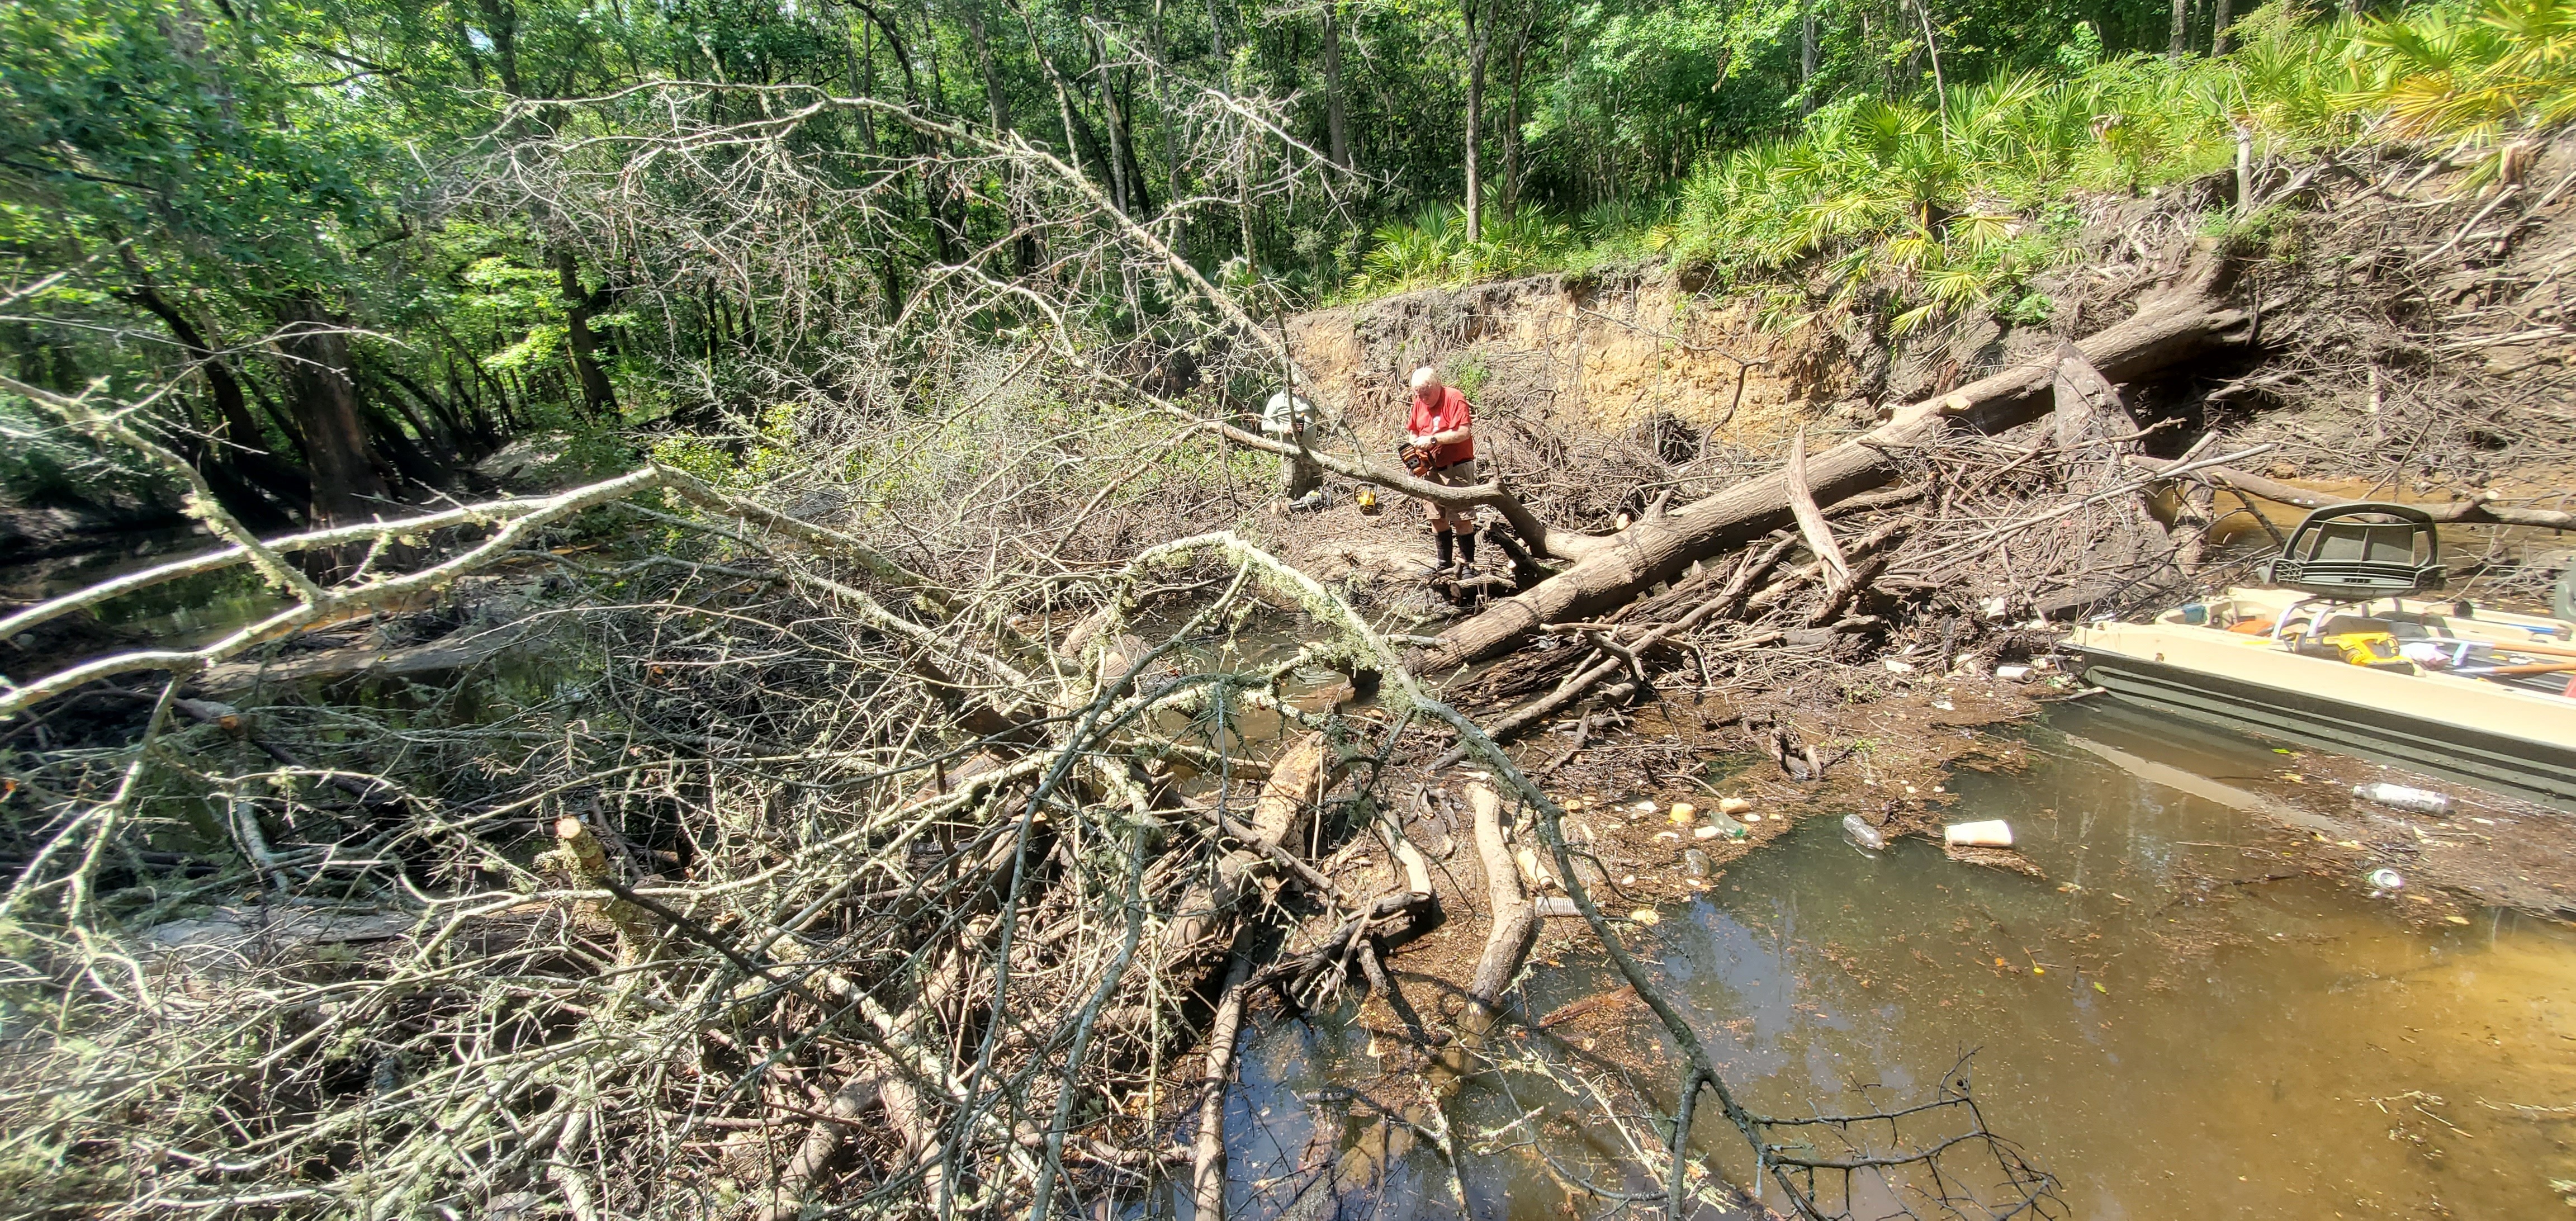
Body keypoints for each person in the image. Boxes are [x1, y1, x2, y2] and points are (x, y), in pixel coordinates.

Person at [1405, 365, 1479, 574]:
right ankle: (1443, 564)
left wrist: (1434, 439)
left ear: (1436, 385)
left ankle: (1467, 566)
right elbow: (1413, 431)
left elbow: (1464, 432)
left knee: (1461, 517)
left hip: (1456, 466)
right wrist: (1415, 447)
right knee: (1436, 517)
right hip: (1431, 468)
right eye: (1418, 395)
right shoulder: (1419, 402)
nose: (1423, 399)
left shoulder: (1454, 398)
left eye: (1426, 394)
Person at [1261, 376, 1323, 503]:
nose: (1293, 385)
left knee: (1316, 488)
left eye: (1296, 382)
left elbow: (1326, 412)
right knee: (1293, 490)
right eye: (1290, 382)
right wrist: (1282, 428)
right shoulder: (1277, 400)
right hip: (1291, 452)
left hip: (1312, 452)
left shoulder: (1309, 396)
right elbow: (1265, 424)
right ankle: (1290, 510)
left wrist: (1309, 398)